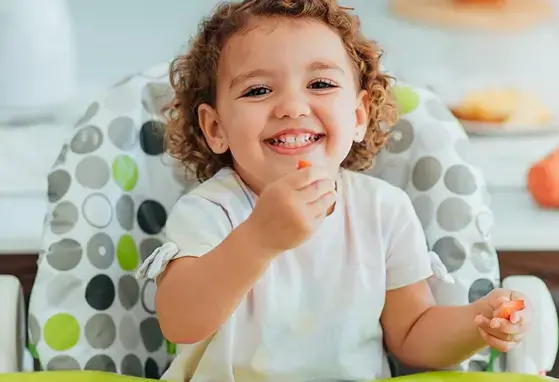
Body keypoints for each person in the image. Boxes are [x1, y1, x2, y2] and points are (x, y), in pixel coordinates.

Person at [136, 0, 532, 380]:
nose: (292, 106)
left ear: (358, 117)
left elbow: (412, 333)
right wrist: (259, 239)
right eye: (258, 90)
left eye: (320, 83)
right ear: (215, 128)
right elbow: (179, 322)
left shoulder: (383, 210)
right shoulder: (207, 211)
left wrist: (477, 322)